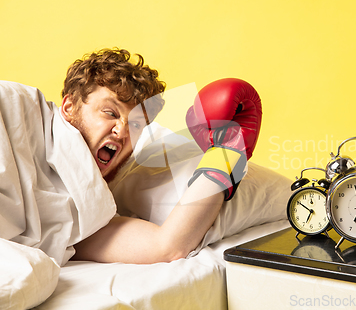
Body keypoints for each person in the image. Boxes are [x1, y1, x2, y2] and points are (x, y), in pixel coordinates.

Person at [59, 48, 262, 264]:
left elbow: (167, 246)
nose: (123, 130)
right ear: (69, 107)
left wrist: (227, 153)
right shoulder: (32, 132)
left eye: (136, 124)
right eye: (110, 113)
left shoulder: (85, 214)